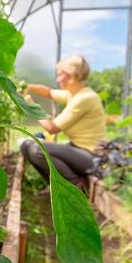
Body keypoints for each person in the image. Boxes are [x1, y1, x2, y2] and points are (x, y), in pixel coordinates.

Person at [20, 54, 105, 189]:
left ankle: (75, 185)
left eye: (60, 74)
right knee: (25, 146)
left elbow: (52, 128)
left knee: (37, 149)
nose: (57, 79)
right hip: (76, 149)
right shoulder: (74, 94)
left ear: (72, 76)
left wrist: (30, 105)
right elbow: (49, 92)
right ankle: (56, 187)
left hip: (90, 156)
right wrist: (28, 87)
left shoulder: (85, 98)